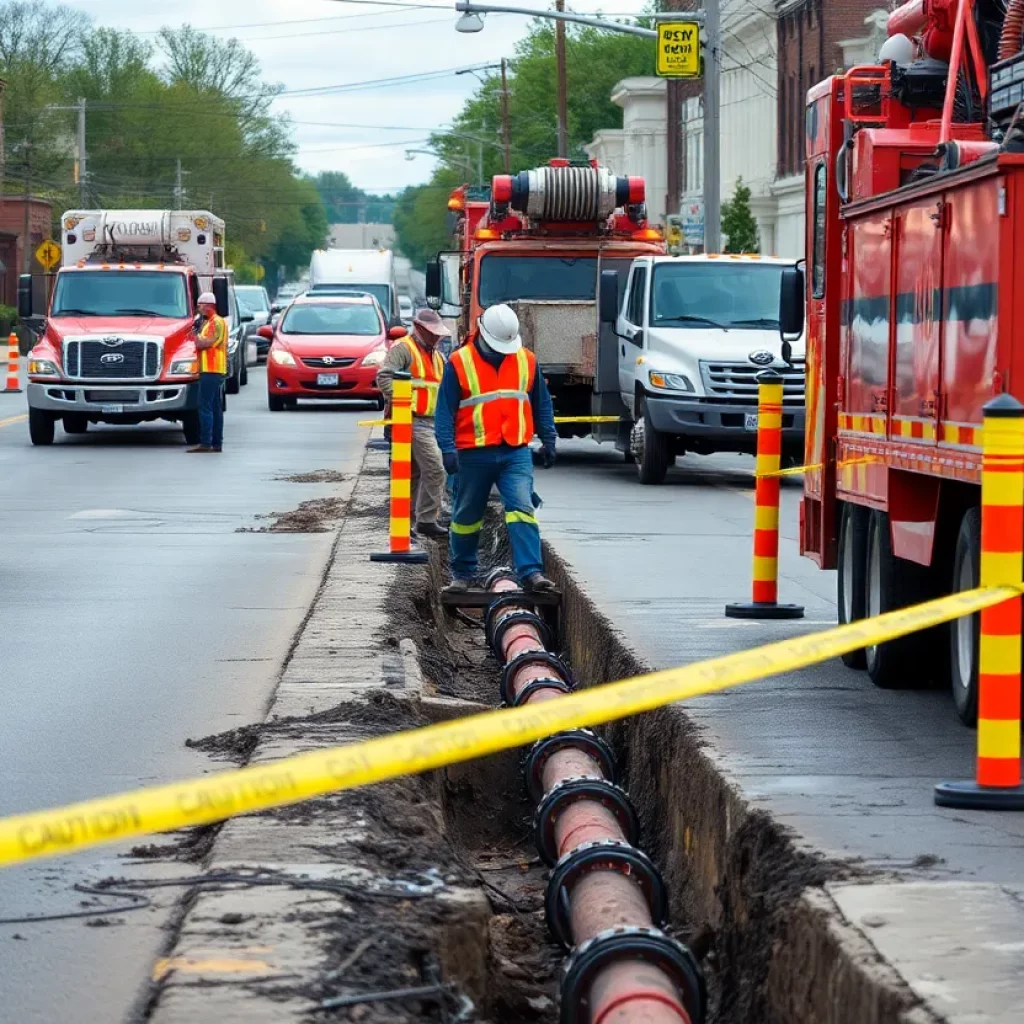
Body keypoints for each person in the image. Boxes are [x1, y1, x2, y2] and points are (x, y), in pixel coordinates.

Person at [434, 303, 557, 593]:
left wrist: (549, 437)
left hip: (514, 451)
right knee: (466, 515)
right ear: (483, 334)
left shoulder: (526, 360)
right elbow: (444, 411)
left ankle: (531, 572)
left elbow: (541, 402)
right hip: (472, 452)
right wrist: (447, 448)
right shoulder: (459, 362)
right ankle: (463, 574)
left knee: (521, 508)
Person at [376, 309, 449, 539]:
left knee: (414, 473)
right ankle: (425, 520)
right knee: (435, 469)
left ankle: (411, 522)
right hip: (411, 419)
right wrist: (404, 400)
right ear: (419, 329)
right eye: (432, 333)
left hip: (430, 421)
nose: (436, 338)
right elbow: (384, 377)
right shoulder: (403, 349)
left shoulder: (437, 356)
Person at [189, 291, 227, 453]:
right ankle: (216, 443)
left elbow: (204, 343)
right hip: (212, 369)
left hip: (211, 369)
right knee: (214, 407)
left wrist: (196, 335)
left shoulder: (215, 322)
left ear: (207, 306)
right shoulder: (211, 322)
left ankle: (206, 442)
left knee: (205, 406)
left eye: (200, 306)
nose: (198, 309)